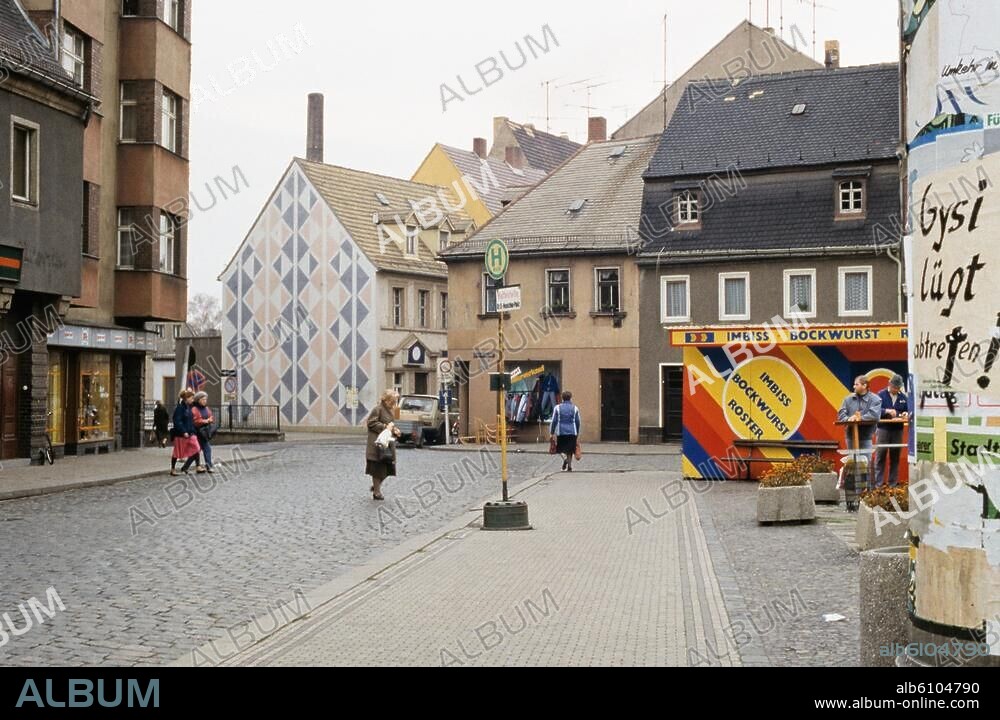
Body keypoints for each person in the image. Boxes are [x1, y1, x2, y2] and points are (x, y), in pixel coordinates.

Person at [836, 376, 883, 495]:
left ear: (864, 385)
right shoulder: (848, 399)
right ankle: (853, 493)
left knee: (865, 464)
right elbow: (841, 414)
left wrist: (859, 417)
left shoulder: (875, 399)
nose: (853, 386)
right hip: (851, 436)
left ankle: (867, 493)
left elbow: (874, 415)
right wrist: (849, 419)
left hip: (866, 436)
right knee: (853, 464)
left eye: (856, 384)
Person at [873, 375, 909, 488]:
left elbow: (907, 410)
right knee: (880, 456)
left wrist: (904, 414)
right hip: (883, 429)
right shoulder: (880, 395)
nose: (896, 390)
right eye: (894, 387)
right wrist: (886, 411)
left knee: (895, 457)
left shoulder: (903, 397)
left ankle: (892, 484)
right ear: (890, 385)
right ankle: (878, 484)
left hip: (897, 430)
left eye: (898, 388)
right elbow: (875, 410)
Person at [366, 390, 402, 500]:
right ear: (386, 400)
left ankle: (376, 487)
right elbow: (371, 423)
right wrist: (385, 427)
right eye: (392, 401)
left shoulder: (390, 410)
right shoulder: (378, 409)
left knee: (388, 469)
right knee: (377, 469)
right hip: (377, 444)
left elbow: (390, 426)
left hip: (387, 444)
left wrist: (395, 430)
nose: (394, 404)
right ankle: (376, 492)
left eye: (395, 401)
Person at [170, 390, 201, 476]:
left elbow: (190, 420)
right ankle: (173, 469)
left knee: (196, 448)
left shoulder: (188, 407)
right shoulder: (180, 408)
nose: (192, 400)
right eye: (191, 398)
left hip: (190, 433)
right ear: (186, 398)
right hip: (181, 435)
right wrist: (183, 431)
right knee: (177, 452)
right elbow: (177, 421)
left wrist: (192, 431)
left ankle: (188, 467)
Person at [550, 391, 581, 472]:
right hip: (572, 431)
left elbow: (554, 421)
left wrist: (552, 432)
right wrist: (577, 432)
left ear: (562, 398)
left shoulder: (557, 407)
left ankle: (565, 460)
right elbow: (578, 421)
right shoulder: (575, 408)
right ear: (570, 398)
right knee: (570, 450)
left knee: (559, 449)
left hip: (561, 431)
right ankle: (569, 467)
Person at [193, 392, 216, 474]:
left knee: (207, 449)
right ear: (198, 400)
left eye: (205, 399)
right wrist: (205, 421)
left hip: (204, 433)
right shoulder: (195, 409)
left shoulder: (206, 408)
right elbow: (196, 421)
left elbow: (211, 416)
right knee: (196, 451)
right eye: (203, 399)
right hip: (197, 432)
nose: (205, 401)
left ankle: (208, 466)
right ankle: (196, 466)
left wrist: (210, 420)